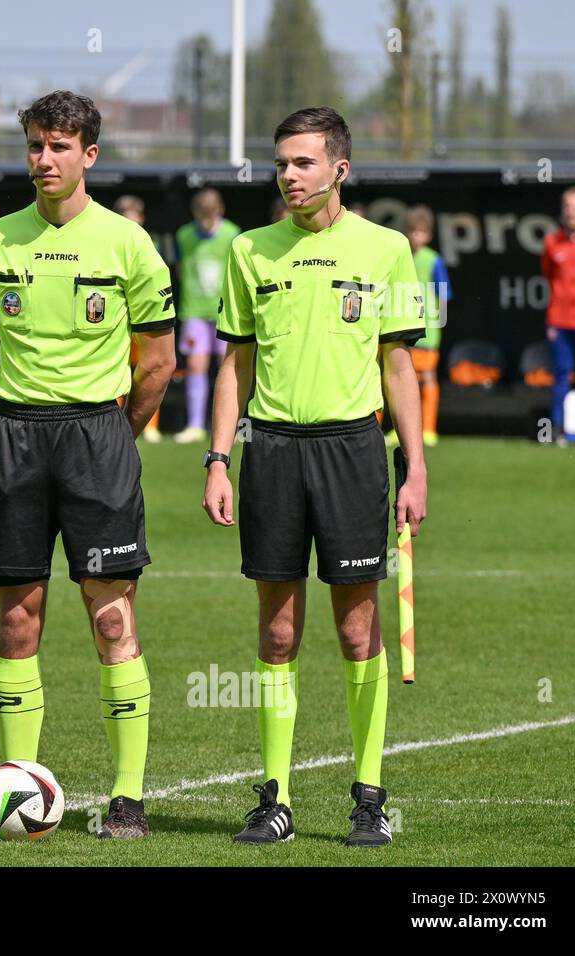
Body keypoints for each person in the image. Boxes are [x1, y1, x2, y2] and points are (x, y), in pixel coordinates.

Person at [202, 106, 428, 847]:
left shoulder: (389, 248)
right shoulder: (248, 252)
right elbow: (233, 364)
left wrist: (415, 467)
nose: (289, 176)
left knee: (358, 627)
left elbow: (398, 363)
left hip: (353, 452)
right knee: (276, 630)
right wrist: (218, 460)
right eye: (281, 164)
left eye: (303, 163)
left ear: (340, 169)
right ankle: (276, 798)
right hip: (270, 453)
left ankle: (368, 796)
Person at [0, 91, 177, 839]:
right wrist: (18, 414)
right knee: (17, 618)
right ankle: (19, 785)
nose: (44, 160)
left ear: (90, 154)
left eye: (59, 147)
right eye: (35, 146)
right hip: (16, 436)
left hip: (98, 438)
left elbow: (157, 363)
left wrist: (115, 435)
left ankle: (128, 797)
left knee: (111, 615)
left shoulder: (128, 244)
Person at [173, 189, 241, 445]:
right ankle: (194, 425)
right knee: (195, 366)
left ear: (220, 210)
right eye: (201, 216)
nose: (205, 222)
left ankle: (229, 428)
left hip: (225, 311)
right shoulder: (184, 235)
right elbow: (181, 270)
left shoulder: (232, 234)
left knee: (229, 368)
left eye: (209, 216)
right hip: (194, 311)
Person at [540, 185, 575, 445]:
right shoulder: (553, 242)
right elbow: (549, 275)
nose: (570, 212)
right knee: (561, 375)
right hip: (560, 320)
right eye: (567, 206)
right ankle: (557, 431)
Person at [113, 194, 166, 444]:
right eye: (123, 216)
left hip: (146, 321)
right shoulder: (109, 243)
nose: (128, 221)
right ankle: (113, 421)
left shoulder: (150, 244)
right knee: (116, 371)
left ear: (141, 218)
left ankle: (150, 424)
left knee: (149, 370)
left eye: (132, 216)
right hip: (120, 322)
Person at [404, 205, 452, 446]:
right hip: (403, 325)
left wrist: (436, 320)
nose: (416, 237)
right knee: (403, 378)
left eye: (421, 232)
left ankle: (429, 428)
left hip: (428, 329)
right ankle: (403, 430)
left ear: (429, 235)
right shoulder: (400, 256)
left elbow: (444, 294)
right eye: (413, 231)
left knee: (428, 377)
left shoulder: (434, 260)